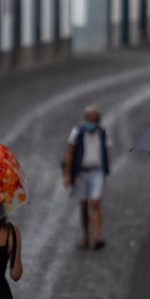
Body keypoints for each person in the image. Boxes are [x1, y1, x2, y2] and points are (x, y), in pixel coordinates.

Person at [62, 106, 110, 250]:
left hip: (97, 172)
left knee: (95, 203)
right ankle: (86, 236)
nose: (91, 121)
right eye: (89, 118)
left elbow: (105, 151)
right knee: (83, 205)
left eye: (94, 119)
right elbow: (70, 153)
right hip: (81, 173)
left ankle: (96, 236)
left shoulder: (102, 133)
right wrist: (68, 174)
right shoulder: (77, 133)